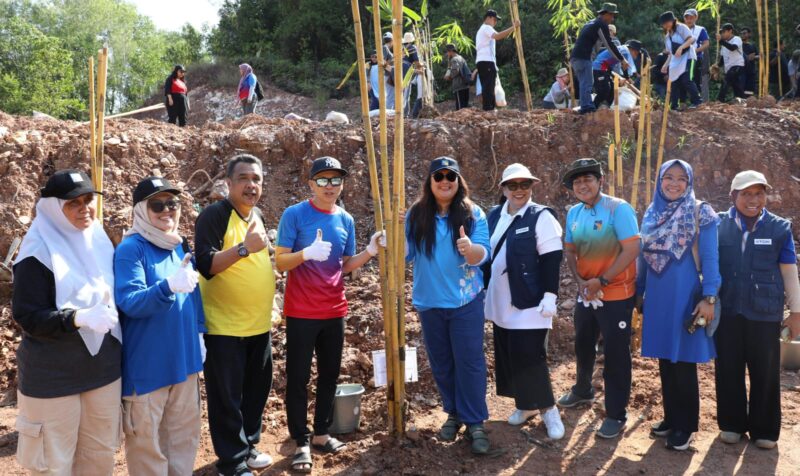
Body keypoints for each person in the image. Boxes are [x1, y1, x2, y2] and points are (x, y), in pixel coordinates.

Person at [274, 157, 384, 472]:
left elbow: (344, 265)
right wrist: (306, 253)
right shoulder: (294, 215)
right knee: (297, 378)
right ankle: (301, 441)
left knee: (329, 376)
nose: (329, 186)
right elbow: (280, 262)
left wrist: (370, 251)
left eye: (335, 180)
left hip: (334, 310)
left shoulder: (345, 220)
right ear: (311, 184)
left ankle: (321, 433)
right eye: (322, 180)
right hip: (301, 312)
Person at [12, 169, 122, 475]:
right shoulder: (38, 252)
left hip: (103, 374)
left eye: (88, 200)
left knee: (98, 457)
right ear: (52, 208)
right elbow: (28, 315)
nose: (84, 208)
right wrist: (77, 318)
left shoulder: (97, 239)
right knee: (53, 463)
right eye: (73, 203)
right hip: (54, 379)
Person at [114, 177, 205, 475]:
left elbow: (194, 295)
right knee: (148, 451)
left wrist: (200, 332)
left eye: (173, 203)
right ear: (141, 210)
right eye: (157, 205)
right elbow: (130, 301)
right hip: (148, 369)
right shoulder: (132, 249)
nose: (167, 211)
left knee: (183, 442)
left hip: (184, 362)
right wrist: (167, 287)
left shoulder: (178, 244)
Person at [195, 154, 276, 476]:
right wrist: (243, 248)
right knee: (226, 397)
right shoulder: (214, 216)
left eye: (256, 179)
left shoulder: (256, 215)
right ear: (228, 184)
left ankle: (249, 446)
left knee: (256, 391)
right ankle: (231, 462)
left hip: (258, 324)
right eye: (244, 178)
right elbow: (206, 264)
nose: (251, 185)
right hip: (224, 327)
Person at [405, 157, 491, 453]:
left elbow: (483, 253)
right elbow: (406, 253)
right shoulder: (416, 215)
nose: (445, 181)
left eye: (450, 176)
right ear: (429, 182)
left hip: (465, 300)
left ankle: (475, 420)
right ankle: (454, 413)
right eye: (438, 176)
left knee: (469, 361)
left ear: (458, 181)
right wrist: (386, 241)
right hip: (430, 303)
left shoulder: (472, 212)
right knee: (442, 363)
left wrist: (471, 250)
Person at [637, 159, 720, 451]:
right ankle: (671, 418)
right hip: (658, 296)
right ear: (659, 181)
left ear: (690, 182)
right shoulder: (651, 212)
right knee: (665, 359)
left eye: (681, 178)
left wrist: (709, 298)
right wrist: (639, 290)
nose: (674, 183)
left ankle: (686, 427)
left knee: (683, 362)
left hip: (686, 295)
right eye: (667, 178)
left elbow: (710, 259)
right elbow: (643, 256)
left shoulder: (701, 212)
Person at [715, 170, 800, 449]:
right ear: (733, 196)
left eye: (759, 193)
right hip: (727, 310)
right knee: (728, 367)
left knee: (765, 371)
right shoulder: (718, 225)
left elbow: (789, 271)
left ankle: (764, 430)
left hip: (765, 312)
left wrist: (796, 311)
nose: (753, 200)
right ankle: (731, 424)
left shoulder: (778, 228)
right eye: (746, 194)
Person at [557, 158, 641, 440]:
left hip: (615, 294)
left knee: (616, 354)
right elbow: (569, 251)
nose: (583, 185)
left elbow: (632, 249)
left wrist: (602, 280)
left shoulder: (619, 209)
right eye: (577, 182)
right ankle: (583, 389)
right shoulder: (573, 213)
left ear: (600, 181)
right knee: (583, 342)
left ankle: (616, 414)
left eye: (588, 179)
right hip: (586, 293)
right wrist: (581, 281)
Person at [483, 164, 565, 440]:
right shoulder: (494, 216)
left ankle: (549, 410)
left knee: (531, 356)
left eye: (524, 185)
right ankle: (525, 404)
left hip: (530, 301)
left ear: (532, 187)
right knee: (509, 355)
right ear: (503, 189)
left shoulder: (541, 217)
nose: (519, 190)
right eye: (513, 185)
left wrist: (551, 296)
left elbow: (552, 260)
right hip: (501, 300)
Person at [570, 3, 629, 114]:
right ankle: (587, 108)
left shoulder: (590, 23)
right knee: (587, 83)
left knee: (584, 82)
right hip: (583, 57)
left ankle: (584, 107)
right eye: (611, 15)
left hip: (575, 58)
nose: (612, 19)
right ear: (605, 14)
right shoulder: (601, 24)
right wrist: (622, 59)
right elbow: (609, 44)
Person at [475, 9, 519, 111]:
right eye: (495, 20)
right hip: (487, 62)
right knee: (489, 87)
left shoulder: (482, 29)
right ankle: (489, 109)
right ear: (489, 18)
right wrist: (514, 27)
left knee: (488, 86)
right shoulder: (486, 27)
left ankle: (489, 108)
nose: (495, 22)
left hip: (483, 62)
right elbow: (498, 36)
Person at [659, 11, 701, 110]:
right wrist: (665, 65)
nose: (666, 25)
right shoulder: (667, 36)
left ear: (673, 21)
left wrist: (681, 47)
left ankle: (697, 101)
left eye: (667, 22)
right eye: (664, 24)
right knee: (674, 82)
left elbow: (691, 39)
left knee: (687, 80)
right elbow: (670, 54)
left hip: (688, 57)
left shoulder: (681, 27)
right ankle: (674, 106)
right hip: (676, 61)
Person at [591, 41, 638, 109]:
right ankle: (593, 107)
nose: (635, 56)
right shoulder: (625, 52)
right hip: (599, 67)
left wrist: (625, 78)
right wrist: (627, 77)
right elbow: (624, 66)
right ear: (634, 51)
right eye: (636, 54)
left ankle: (606, 107)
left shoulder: (622, 49)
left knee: (613, 89)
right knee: (605, 89)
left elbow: (614, 65)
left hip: (604, 68)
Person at [683, 9, 710, 102]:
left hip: (696, 58)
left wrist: (696, 50)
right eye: (687, 17)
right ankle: (682, 102)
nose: (689, 20)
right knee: (681, 80)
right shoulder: (680, 29)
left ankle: (696, 102)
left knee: (694, 80)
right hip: (682, 59)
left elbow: (706, 43)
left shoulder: (700, 29)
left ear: (696, 18)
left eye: (691, 17)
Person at [716, 24, 746, 103]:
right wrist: (717, 66)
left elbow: (733, 48)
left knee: (726, 80)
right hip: (729, 67)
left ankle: (720, 100)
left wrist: (721, 41)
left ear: (730, 31)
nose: (722, 34)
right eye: (721, 32)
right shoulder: (724, 44)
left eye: (724, 32)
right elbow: (722, 58)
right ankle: (742, 99)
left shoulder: (737, 39)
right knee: (736, 85)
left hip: (737, 65)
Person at [444, 43, 471, 110]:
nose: (447, 54)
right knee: (465, 107)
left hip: (459, 85)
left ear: (450, 51)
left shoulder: (454, 59)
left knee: (460, 108)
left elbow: (456, 70)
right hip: (465, 85)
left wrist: (449, 77)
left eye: (447, 52)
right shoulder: (461, 58)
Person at [740, 28, 758, 97]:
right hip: (742, 71)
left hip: (751, 71)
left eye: (744, 33)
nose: (742, 35)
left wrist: (754, 57)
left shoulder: (752, 45)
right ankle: (741, 102)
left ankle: (749, 101)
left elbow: (758, 55)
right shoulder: (739, 45)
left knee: (750, 90)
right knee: (741, 88)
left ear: (749, 34)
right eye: (741, 33)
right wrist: (747, 58)